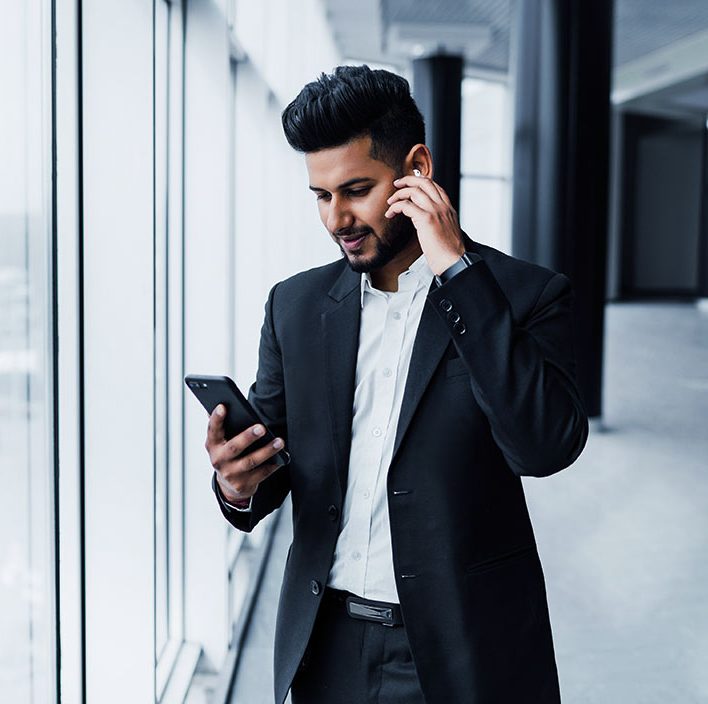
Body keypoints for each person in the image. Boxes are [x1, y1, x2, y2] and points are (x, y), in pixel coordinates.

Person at [204, 65, 588, 704]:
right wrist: (236, 482)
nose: (337, 218)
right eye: (321, 196)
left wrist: (458, 273)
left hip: (461, 645)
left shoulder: (525, 296)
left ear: (417, 169)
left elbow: (543, 447)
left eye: (356, 189)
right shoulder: (294, 306)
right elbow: (274, 465)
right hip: (326, 645)